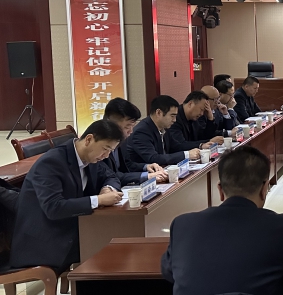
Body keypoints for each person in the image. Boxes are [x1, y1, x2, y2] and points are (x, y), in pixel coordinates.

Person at [161, 146, 283, 295]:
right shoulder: (282, 227)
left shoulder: (183, 226)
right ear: (264, 188)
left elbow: (168, 272)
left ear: (220, 190)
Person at [11, 120, 125, 275]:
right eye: (105, 149)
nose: (106, 156)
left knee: (116, 243)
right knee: (106, 248)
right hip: (45, 242)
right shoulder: (52, 162)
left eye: (110, 151)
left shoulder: (91, 157)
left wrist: (107, 189)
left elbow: (111, 176)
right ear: (89, 139)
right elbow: (53, 208)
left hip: (72, 229)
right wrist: (98, 200)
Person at [102, 98, 168, 185]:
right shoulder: (99, 143)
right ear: (110, 123)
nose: (131, 131)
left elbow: (128, 164)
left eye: (132, 126)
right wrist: (147, 176)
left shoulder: (122, 139)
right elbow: (110, 176)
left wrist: (146, 167)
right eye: (127, 127)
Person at [126, 95, 201, 168]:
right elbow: (153, 158)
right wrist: (186, 155)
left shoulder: (164, 127)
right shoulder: (141, 131)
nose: (175, 120)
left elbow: (177, 146)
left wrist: (200, 147)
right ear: (159, 113)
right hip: (146, 174)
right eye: (172, 116)